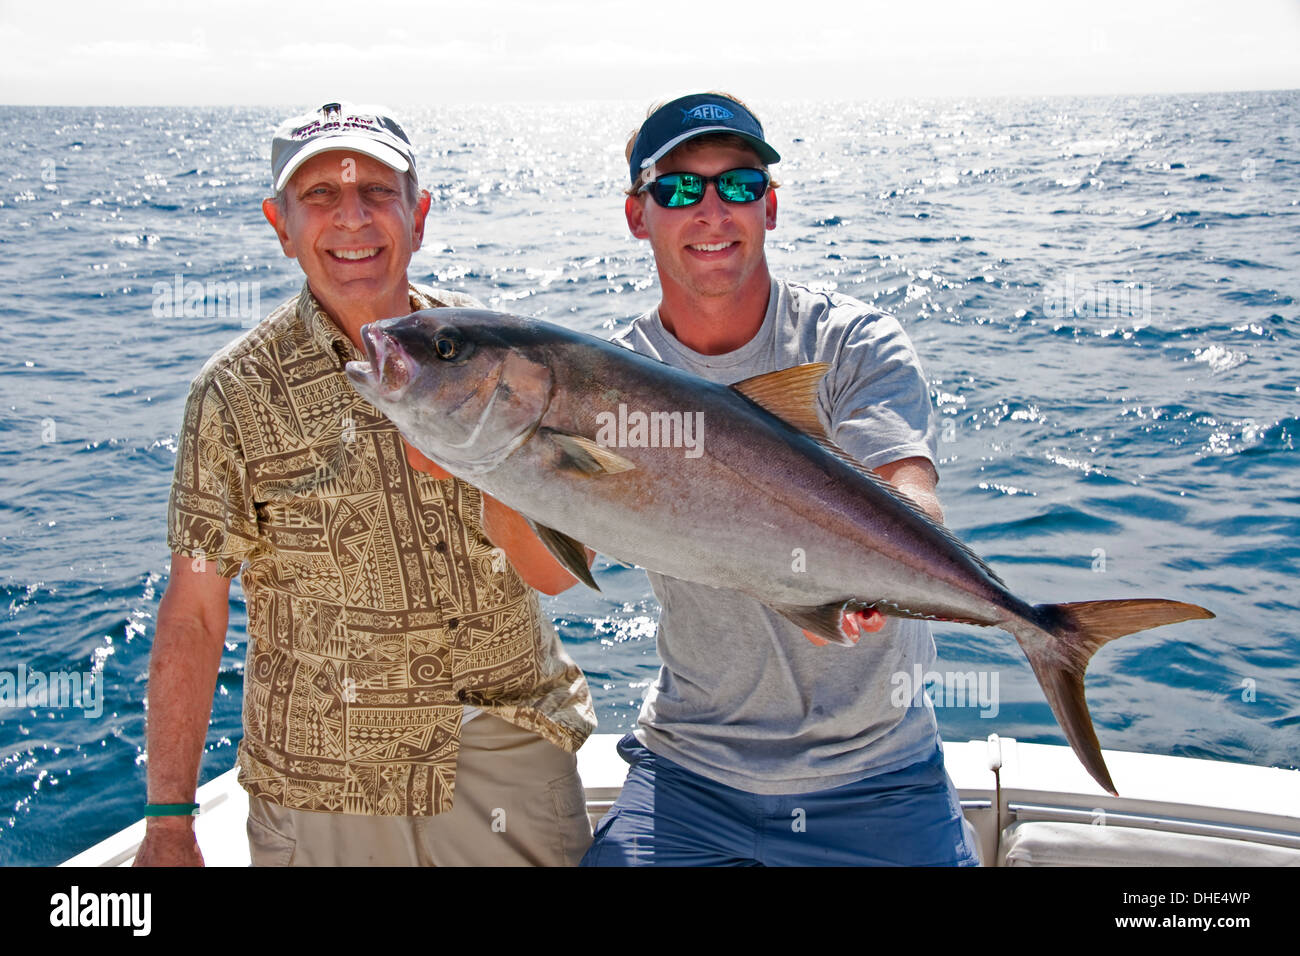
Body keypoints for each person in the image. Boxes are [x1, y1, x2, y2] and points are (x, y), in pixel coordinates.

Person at [135, 102, 595, 867]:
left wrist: (487, 473)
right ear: (279, 224)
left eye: (378, 193)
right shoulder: (232, 394)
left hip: (503, 758)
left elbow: (555, 573)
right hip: (324, 783)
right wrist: (168, 823)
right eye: (319, 197)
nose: (352, 219)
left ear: (418, 215)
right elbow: (194, 614)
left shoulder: (507, 362)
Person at [580, 92, 980, 866]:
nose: (710, 210)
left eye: (736, 185)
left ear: (769, 207)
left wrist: (874, 576)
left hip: (879, 773)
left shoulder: (850, 342)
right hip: (688, 771)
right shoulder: (604, 383)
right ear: (638, 215)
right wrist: (497, 448)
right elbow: (546, 569)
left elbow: (906, 485)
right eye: (676, 188)